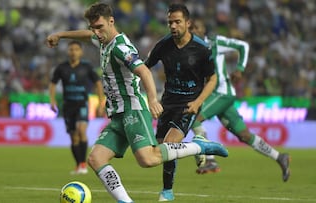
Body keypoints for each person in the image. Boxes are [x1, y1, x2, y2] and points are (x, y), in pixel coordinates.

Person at [46, 3, 228, 203]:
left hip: (133, 109)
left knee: (148, 159)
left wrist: (151, 98)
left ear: (111, 22)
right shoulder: (103, 41)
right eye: (93, 28)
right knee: (95, 159)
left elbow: (144, 71)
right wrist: (61, 35)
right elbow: (86, 35)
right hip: (117, 114)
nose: (96, 33)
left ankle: (198, 146)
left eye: (99, 27)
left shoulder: (120, 47)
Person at [189, 19, 290, 181]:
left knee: (192, 117)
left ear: (204, 30)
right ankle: (280, 157)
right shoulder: (190, 50)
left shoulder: (215, 43)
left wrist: (240, 69)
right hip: (214, 97)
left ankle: (210, 160)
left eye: (197, 28)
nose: (193, 30)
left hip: (221, 93)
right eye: (191, 28)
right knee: (244, 135)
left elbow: (243, 46)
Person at [144, 4, 219, 201]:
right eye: (170, 22)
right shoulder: (162, 45)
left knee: (169, 145)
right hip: (167, 103)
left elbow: (212, 79)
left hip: (189, 104)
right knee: (158, 151)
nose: (173, 26)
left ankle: (167, 192)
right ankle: (199, 146)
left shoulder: (202, 49)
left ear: (188, 23)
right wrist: (151, 98)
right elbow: (143, 69)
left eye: (177, 22)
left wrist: (198, 102)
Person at [49, 40, 104, 175]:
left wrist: (101, 102)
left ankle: (84, 164)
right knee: (74, 137)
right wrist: (52, 100)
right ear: (68, 51)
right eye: (71, 49)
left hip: (82, 104)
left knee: (81, 131)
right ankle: (79, 164)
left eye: (76, 49)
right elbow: (52, 84)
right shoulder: (62, 68)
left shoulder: (87, 67)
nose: (73, 52)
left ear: (81, 52)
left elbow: (98, 83)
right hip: (68, 106)